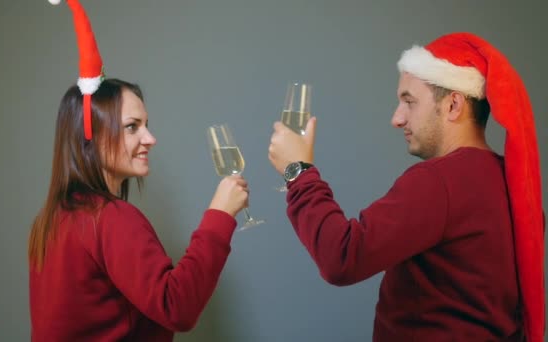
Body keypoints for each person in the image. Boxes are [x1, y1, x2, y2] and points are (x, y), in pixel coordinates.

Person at [268, 32, 544, 341]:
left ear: (454, 104)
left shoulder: (439, 181)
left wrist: (298, 172)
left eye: (409, 102)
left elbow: (341, 257)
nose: (397, 119)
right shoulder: (512, 184)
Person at [29, 1, 249, 341]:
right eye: (132, 127)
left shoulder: (51, 221)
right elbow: (177, 307)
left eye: (146, 125)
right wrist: (220, 215)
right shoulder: (111, 218)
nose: (150, 138)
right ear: (92, 135)